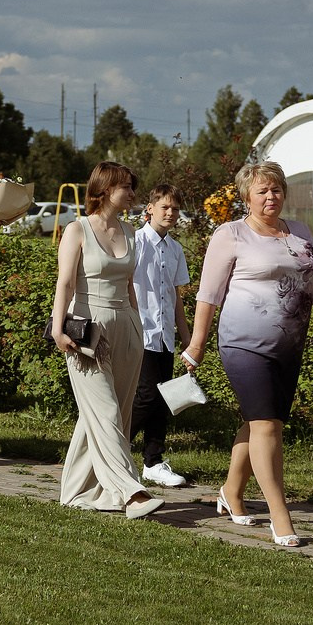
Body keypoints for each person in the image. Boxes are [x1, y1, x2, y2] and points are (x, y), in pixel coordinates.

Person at [184, 159, 313, 548]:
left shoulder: (300, 232)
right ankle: (280, 515)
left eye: (276, 189)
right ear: (247, 197)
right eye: (261, 190)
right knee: (267, 425)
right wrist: (197, 343)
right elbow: (209, 295)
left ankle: (230, 491)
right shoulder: (230, 234)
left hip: (288, 345)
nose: (270, 196)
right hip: (243, 343)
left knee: (261, 420)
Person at [48, 162, 167, 519]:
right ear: (104, 189)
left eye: (132, 186)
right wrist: (58, 328)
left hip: (128, 326)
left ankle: (75, 490)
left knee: (112, 413)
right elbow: (65, 283)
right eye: (125, 187)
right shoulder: (77, 229)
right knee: (105, 411)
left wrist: (139, 327)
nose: (132, 193)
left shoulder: (130, 231)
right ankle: (132, 493)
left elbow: (130, 285)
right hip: (88, 328)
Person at [128, 183, 190, 488]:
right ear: (149, 208)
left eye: (175, 209)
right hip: (139, 331)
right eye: (164, 207)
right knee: (146, 395)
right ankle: (112, 445)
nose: (170, 213)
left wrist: (188, 338)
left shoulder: (175, 249)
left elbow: (175, 297)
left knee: (162, 399)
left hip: (165, 335)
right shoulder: (135, 242)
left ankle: (153, 461)